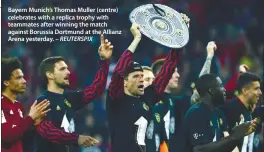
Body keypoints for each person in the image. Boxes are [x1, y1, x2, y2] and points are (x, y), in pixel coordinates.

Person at [106, 23, 182, 152]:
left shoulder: (146, 98)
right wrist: (136, 39)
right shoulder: (117, 100)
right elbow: (118, 72)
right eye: (136, 76)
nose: (141, 79)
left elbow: (166, 71)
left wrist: (178, 41)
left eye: (142, 76)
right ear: (125, 81)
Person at [34, 34, 113, 152]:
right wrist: (76, 138)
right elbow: (47, 130)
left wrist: (104, 61)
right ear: (49, 75)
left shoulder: (69, 98)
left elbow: (96, 90)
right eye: (62, 69)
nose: (68, 72)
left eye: (67, 68)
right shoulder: (43, 101)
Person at [178, 73, 258, 152]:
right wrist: (233, 137)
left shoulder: (218, 114)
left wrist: (237, 135)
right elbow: (199, 149)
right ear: (211, 91)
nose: (224, 89)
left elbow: (222, 147)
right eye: (220, 86)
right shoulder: (197, 112)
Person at [1, 57, 50, 152]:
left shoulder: (18, 106)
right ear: (6, 82)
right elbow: (6, 136)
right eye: (19, 78)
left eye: (23, 77)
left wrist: (33, 125)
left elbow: (20, 136)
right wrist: (30, 118)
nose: (24, 81)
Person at [219, 72, 262, 152]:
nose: (260, 92)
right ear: (245, 91)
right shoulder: (227, 110)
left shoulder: (248, 111)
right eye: (256, 89)